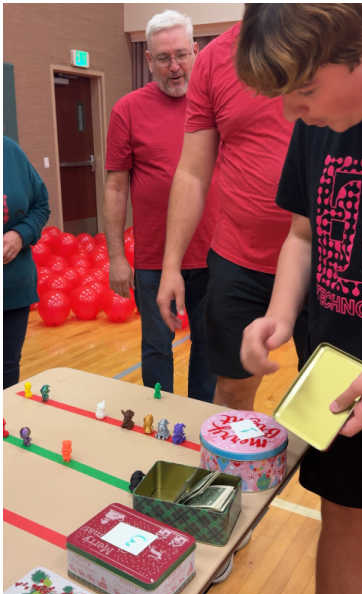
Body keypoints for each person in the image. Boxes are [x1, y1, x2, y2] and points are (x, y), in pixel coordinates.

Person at [234, 4, 362, 594]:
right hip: (335, 372)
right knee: (345, 518)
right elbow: (303, 234)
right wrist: (278, 316)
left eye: (304, 91)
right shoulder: (319, 122)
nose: (291, 111)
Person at [156, 17, 307, 411]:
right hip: (241, 261)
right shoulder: (213, 60)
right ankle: (229, 474)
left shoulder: (331, 46)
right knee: (234, 389)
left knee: (328, 393)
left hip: (327, 260)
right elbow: (192, 172)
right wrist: (171, 265)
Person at [104, 9, 215, 401]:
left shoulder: (215, 106)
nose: (174, 67)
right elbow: (116, 188)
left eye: (182, 55)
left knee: (208, 352)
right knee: (155, 350)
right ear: (148, 59)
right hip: (152, 261)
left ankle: (199, 432)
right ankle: (159, 430)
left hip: (213, 257)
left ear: (196, 52)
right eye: (164, 58)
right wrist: (117, 257)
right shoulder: (127, 110)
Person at [3, 137, 50, 389]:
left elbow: (41, 205)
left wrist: (20, 235)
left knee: (8, 373)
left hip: (12, 291)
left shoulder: (10, 153)